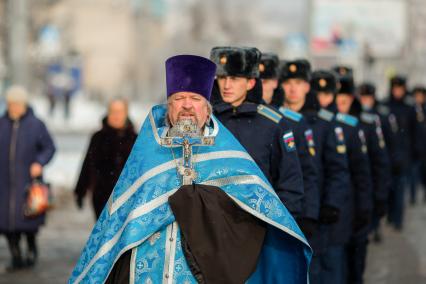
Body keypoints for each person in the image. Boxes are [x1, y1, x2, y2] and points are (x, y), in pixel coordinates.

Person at [69, 55, 311, 283]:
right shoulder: (150, 149)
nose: (186, 106)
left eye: (195, 99)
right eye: (179, 98)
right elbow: (120, 219)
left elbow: (254, 217)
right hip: (149, 271)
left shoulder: (228, 154)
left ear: (207, 109)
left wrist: (202, 204)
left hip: (205, 272)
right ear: (168, 106)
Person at [210, 46, 305, 217]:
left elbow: (289, 182)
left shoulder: (273, 123)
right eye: (222, 77)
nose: (227, 85)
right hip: (213, 223)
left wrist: (280, 227)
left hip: (258, 224)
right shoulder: (207, 120)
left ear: (251, 83)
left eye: (234, 78)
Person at [281, 63, 351, 284]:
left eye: (299, 83)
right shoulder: (275, 119)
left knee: (318, 271)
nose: (293, 89)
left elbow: (336, 169)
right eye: (288, 83)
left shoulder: (323, 123)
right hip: (285, 209)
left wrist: (330, 204)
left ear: (306, 87)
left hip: (315, 211)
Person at [0, 85, 56, 270]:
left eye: (17, 104)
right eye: (10, 104)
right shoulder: (2, 123)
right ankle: (16, 256)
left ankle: (31, 249)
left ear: (24, 104)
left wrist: (39, 162)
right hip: (4, 183)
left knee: (28, 222)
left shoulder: (36, 124)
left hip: (27, 181)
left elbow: (49, 147)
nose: (13, 108)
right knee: (6, 223)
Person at [74, 98, 138, 219]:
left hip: (128, 197)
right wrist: (80, 191)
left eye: (120, 111)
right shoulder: (98, 137)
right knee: (103, 234)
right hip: (101, 196)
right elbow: (87, 164)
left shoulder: (135, 138)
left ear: (126, 113)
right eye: (113, 111)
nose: (116, 115)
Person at [383, 75, 416, 230]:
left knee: (400, 189)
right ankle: (390, 215)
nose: (397, 91)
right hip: (388, 155)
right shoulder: (385, 106)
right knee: (389, 189)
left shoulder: (409, 107)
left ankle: (398, 220)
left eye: (400, 89)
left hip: (404, 155)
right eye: (395, 88)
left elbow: (415, 132)